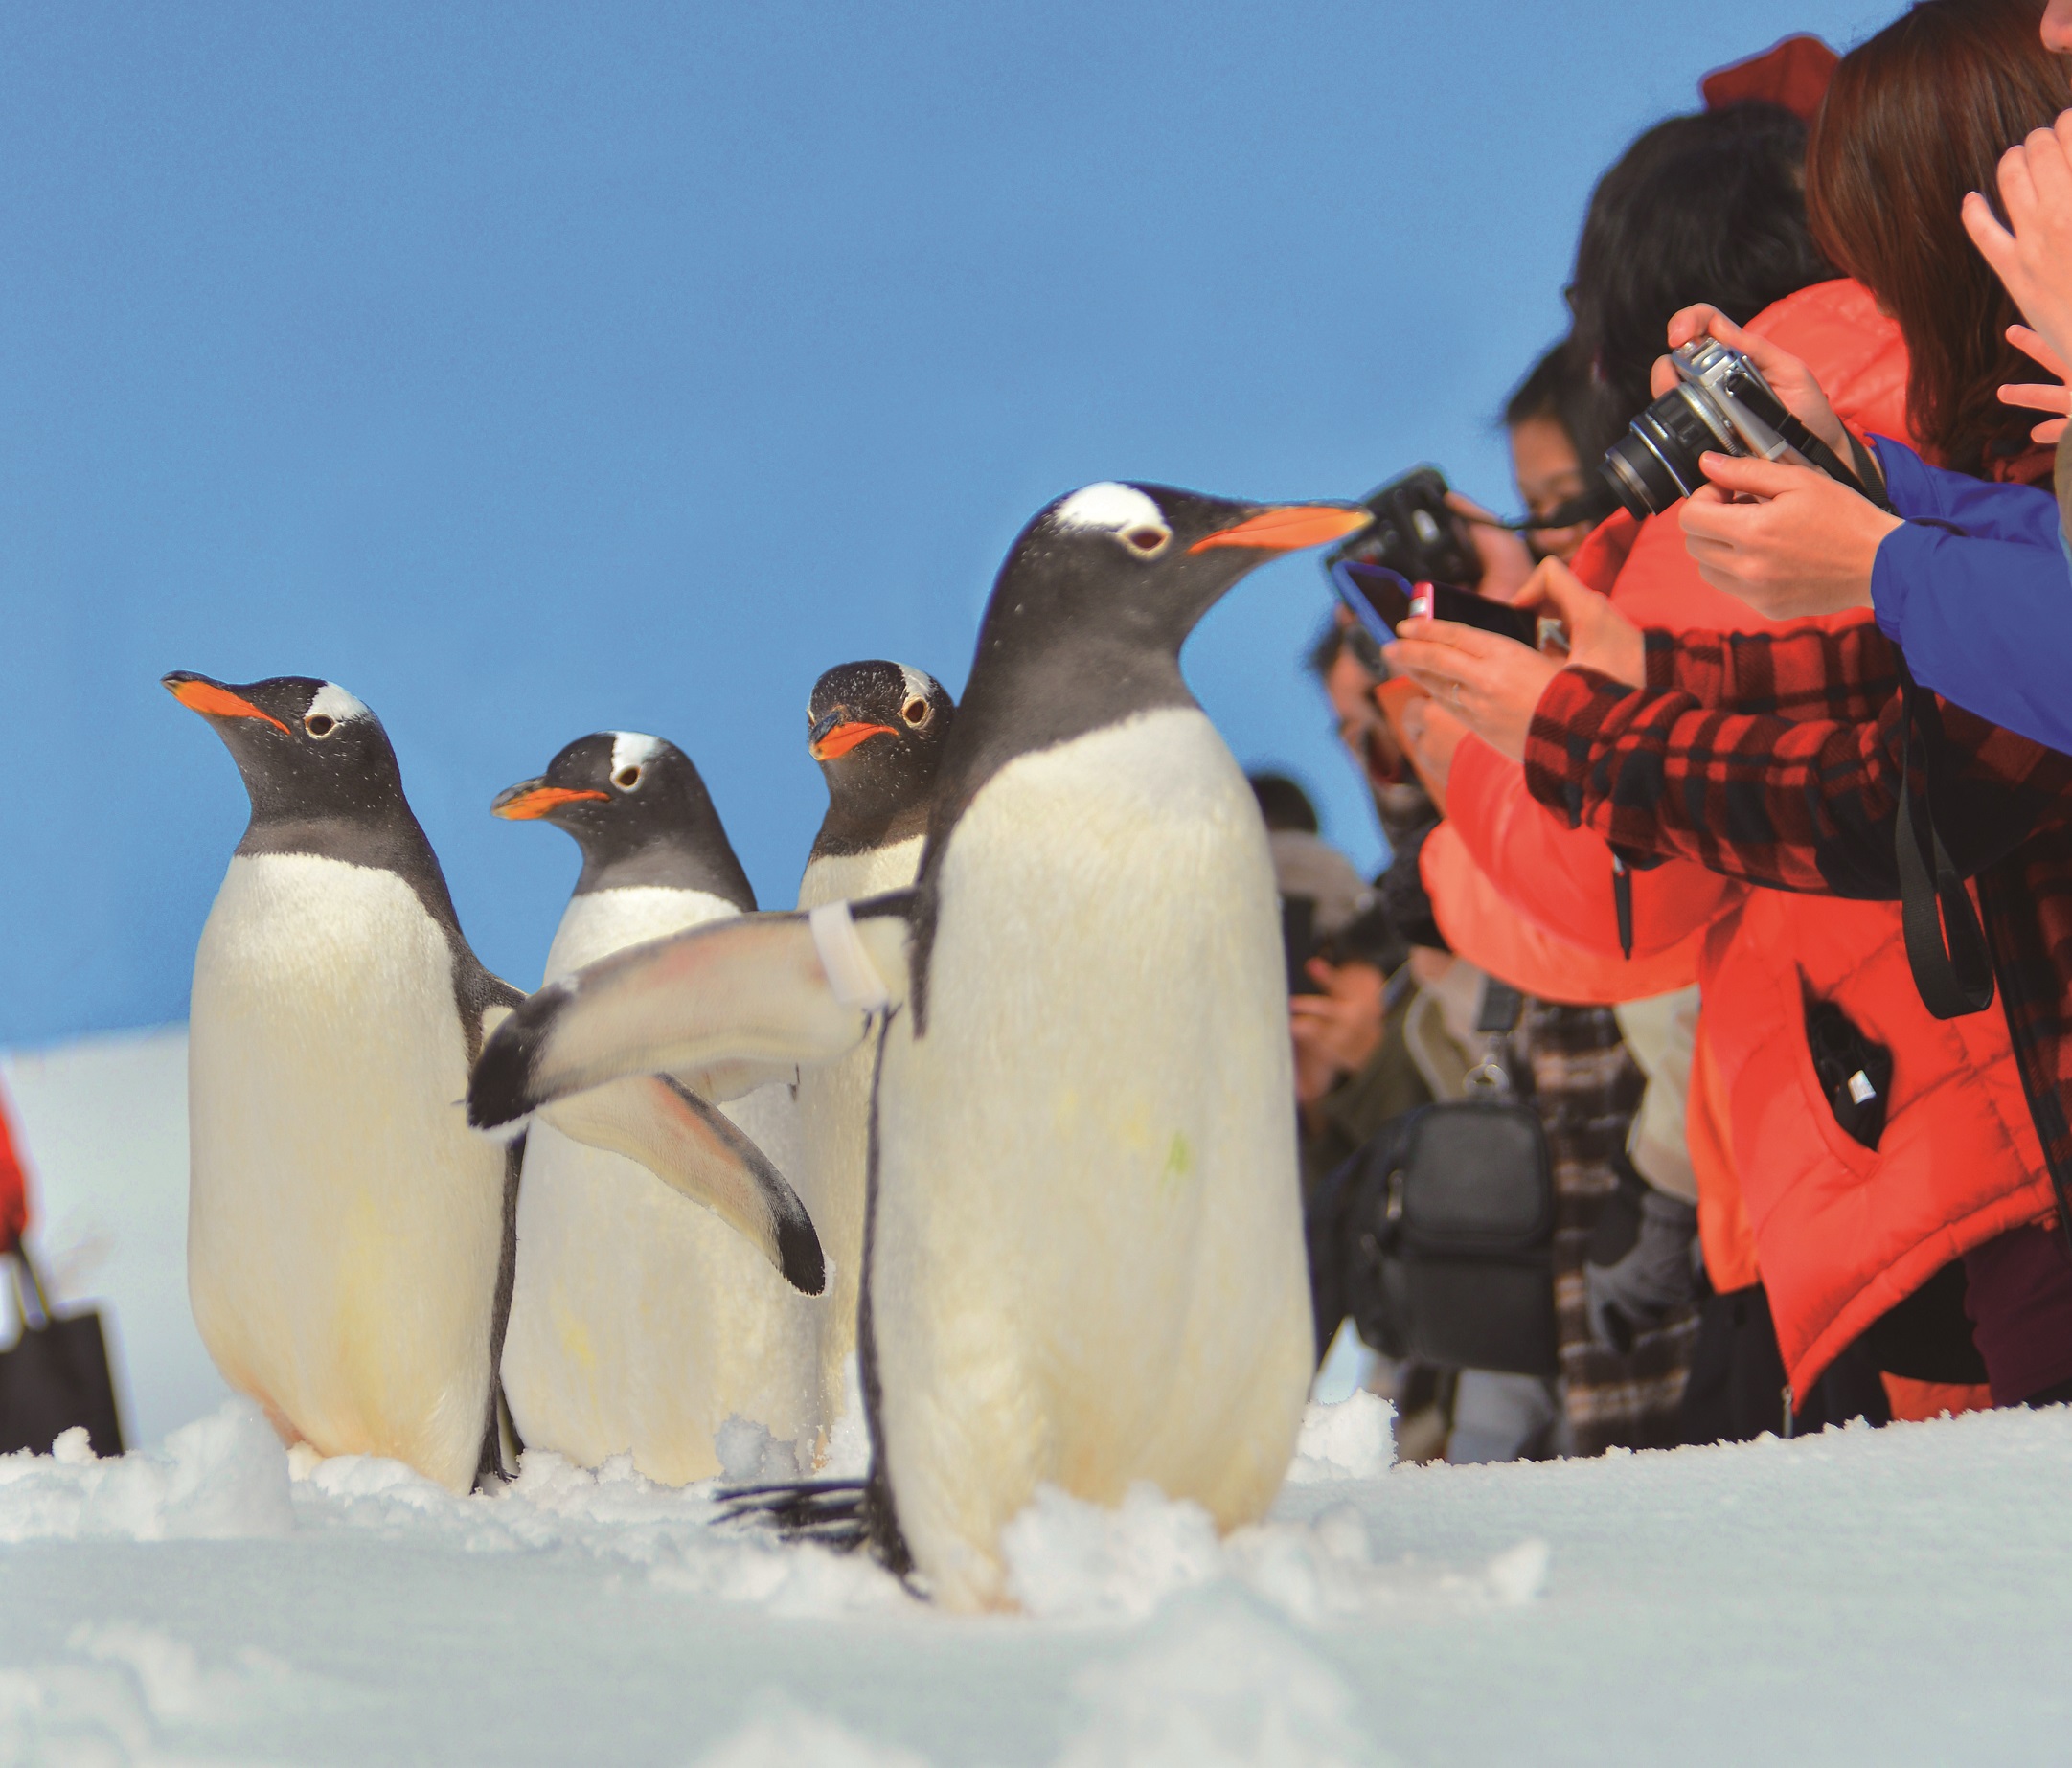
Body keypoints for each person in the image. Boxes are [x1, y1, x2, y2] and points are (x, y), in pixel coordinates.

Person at [1390, 0, 2072, 1417]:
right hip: (1973, 1146)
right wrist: (1869, 502)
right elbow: (1932, 674)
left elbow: (1906, 780)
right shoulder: (1981, 428)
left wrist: (1518, 740)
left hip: (1959, 1152)